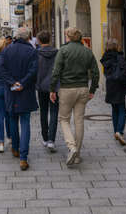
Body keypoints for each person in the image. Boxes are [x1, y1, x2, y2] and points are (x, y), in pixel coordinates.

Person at [50, 27, 100, 166]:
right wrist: (92, 89)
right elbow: (95, 73)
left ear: (68, 36)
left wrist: (52, 89)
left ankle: (71, 147)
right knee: (79, 121)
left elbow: (56, 71)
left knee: (64, 119)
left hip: (67, 89)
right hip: (83, 88)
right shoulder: (87, 51)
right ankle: (77, 154)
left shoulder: (63, 50)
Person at [1, 27, 38, 171]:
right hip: (25, 91)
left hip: (11, 91)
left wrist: (12, 82)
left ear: (16, 37)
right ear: (28, 37)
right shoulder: (31, 51)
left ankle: (15, 148)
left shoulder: (7, 50)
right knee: (25, 122)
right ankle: (23, 157)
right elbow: (34, 70)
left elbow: (2, 69)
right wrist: (23, 82)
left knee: (12, 119)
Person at [101, 38, 126, 146]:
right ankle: (119, 131)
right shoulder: (119, 57)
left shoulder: (105, 58)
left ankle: (116, 131)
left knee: (114, 109)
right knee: (122, 110)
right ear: (116, 46)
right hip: (119, 85)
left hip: (110, 85)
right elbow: (125, 72)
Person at [36, 30, 58, 152]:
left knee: (43, 111)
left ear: (39, 41)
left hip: (41, 87)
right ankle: (51, 140)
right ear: (50, 40)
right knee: (54, 111)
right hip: (54, 87)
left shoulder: (36, 54)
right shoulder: (57, 53)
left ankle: (45, 138)